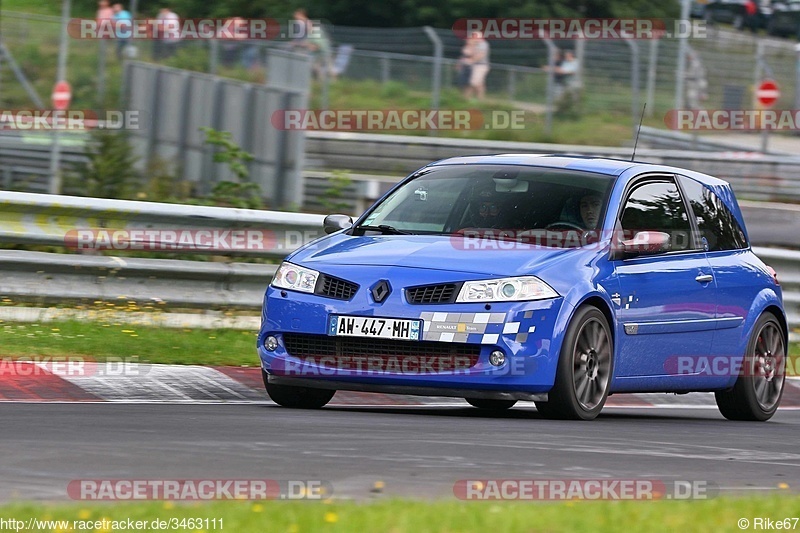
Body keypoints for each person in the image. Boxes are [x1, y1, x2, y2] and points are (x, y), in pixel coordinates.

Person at [289, 9, 332, 80]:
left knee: (327, 68)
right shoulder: (302, 26)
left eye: (297, 15)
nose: (295, 17)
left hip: (319, 51)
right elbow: (301, 38)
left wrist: (306, 44)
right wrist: (296, 42)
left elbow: (314, 42)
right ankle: (319, 82)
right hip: (312, 51)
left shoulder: (311, 26)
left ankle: (330, 82)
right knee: (314, 67)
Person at [463, 31, 489, 100]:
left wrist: (471, 60)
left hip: (480, 66)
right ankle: (481, 99)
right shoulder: (474, 44)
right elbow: (466, 52)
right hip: (475, 65)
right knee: (479, 83)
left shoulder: (483, 44)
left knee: (473, 82)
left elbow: (481, 55)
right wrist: (470, 45)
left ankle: (466, 97)